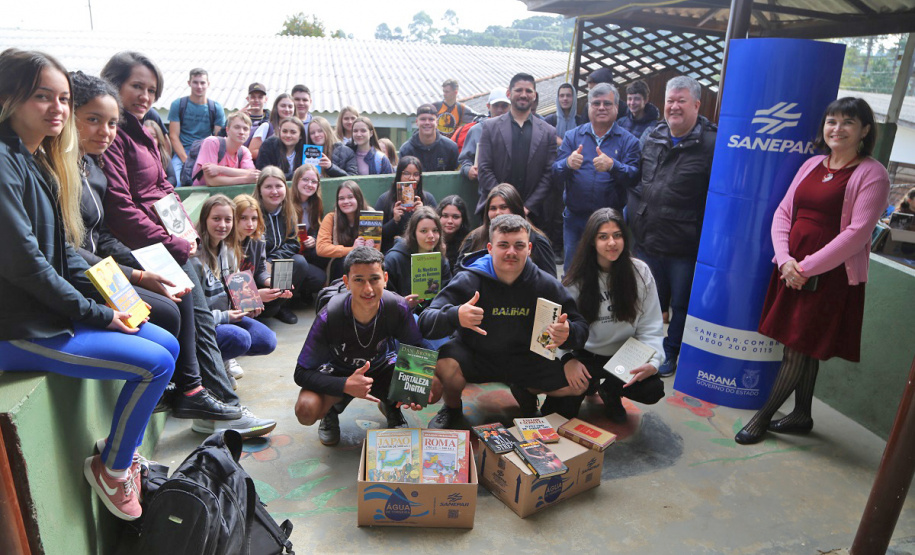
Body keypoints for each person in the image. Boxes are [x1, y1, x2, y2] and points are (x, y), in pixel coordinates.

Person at [0, 47, 178, 521]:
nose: (57, 108)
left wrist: (116, 296)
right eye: (43, 96)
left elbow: (66, 257)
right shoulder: (3, 163)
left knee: (162, 335)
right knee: (155, 364)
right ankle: (112, 470)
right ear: (9, 97)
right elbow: (29, 268)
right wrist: (101, 314)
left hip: (50, 314)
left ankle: (117, 446)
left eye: (62, 98)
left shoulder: (37, 159)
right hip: (18, 329)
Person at [100, 50, 276, 438]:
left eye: (151, 89)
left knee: (200, 310)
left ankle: (210, 403)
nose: (145, 96)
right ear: (113, 84)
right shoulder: (112, 136)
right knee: (193, 305)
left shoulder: (144, 131)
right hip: (140, 246)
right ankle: (216, 400)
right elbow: (121, 208)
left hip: (167, 241)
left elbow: (163, 190)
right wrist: (172, 243)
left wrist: (187, 234)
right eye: (136, 87)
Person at [71, 70, 239, 422]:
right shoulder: (62, 169)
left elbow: (160, 191)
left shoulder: (95, 165)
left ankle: (192, 389)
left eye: (111, 123)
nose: (105, 130)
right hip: (87, 272)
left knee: (182, 300)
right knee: (168, 310)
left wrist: (182, 234)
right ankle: (188, 389)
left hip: (107, 258)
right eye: (93, 120)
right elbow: (107, 221)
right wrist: (140, 270)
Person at [735, 97, 890, 445]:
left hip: (828, 276)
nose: (837, 128)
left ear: (865, 130)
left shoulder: (872, 174)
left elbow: (857, 233)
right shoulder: (811, 164)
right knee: (802, 343)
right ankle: (802, 414)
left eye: (848, 122)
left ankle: (762, 418)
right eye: (831, 121)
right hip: (791, 268)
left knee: (798, 347)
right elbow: (782, 212)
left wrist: (804, 266)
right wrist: (784, 259)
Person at [419, 214, 589, 429]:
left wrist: (568, 333)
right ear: (490, 248)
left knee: (579, 384)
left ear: (529, 248)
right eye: (503, 245)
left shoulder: (544, 284)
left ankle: (525, 389)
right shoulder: (469, 279)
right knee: (445, 363)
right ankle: (452, 408)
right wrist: (456, 315)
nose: (511, 252)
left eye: (519, 245)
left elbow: (580, 326)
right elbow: (425, 322)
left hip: (525, 359)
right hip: (478, 356)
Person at [294, 247, 434, 445]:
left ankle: (392, 405)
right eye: (359, 280)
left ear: (385, 278)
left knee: (433, 385)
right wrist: (344, 385)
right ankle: (330, 413)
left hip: (382, 368)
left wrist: (414, 389)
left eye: (374, 279)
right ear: (347, 282)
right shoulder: (329, 316)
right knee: (306, 409)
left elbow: (416, 348)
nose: (368, 289)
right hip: (338, 373)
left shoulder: (397, 306)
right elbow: (300, 373)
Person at [627, 75, 717, 377]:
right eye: (670, 101)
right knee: (645, 301)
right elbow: (635, 176)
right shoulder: (653, 135)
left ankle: (671, 352)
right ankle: (639, 350)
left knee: (681, 304)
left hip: (684, 245)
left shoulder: (711, 143)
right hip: (648, 238)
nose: (674, 107)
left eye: (681, 101)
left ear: (696, 104)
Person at [561, 208, 665, 422]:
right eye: (603, 237)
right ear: (592, 241)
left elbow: (651, 327)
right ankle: (589, 386)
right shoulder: (575, 280)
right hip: (585, 357)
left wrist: (653, 362)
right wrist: (567, 360)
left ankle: (611, 390)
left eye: (617, 235)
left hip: (624, 356)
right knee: (560, 411)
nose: (612, 243)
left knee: (652, 388)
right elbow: (556, 331)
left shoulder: (640, 272)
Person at [553, 82, 641, 270]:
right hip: (575, 220)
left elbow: (634, 177)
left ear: (617, 108)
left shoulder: (629, 141)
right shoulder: (573, 136)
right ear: (589, 107)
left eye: (607, 104)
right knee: (572, 272)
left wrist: (613, 166)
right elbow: (555, 172)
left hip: (610, 223)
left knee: (606, 272)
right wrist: (567, 164)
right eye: (596, 103)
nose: (601, 108)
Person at [193, 195, 278, 375]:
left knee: (267, 340)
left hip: (227, 315)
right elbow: (194, 315)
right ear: (205, 219)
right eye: (216, 219)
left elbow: (236, 290)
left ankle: (221, 358)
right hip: (205, 323)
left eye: (227, 219)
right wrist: (225, 317)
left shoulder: (229, 250)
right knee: (239, 338)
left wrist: (250, 302)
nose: (222, 225)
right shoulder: (194, 258)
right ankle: (210, 370)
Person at [476, 73, 558, 227]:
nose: (523, 95)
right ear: (509, 93)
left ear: (534, 95)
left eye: (528, 91)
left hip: (533, 214)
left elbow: (548, 175)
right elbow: (484, 168)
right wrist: (504, 205)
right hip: (495, 213)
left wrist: (525, 208)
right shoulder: (490, 127)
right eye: (519, 90)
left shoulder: (548, 132)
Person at [253, 166, 326, 324]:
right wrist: (263, 263)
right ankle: (262, 307)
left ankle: (281, 305)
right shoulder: (253, 213)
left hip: (274, 264)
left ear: (285, 189)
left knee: (299, 262)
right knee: (264, 315)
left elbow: (293, 243)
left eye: (278, 186)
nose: (274, 191)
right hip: (256, 270)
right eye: (268, 186)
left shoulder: (289, 210)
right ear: (259, 190)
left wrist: (272, 260)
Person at [233, 193, 293, 359]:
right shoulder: (225, 245)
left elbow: (260, 270)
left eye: (254, 218)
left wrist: (272, 283)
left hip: (243, 298)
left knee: (268, 340)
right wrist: (253, 297)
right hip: (226, 304)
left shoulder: (257, 241)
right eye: (243, 218)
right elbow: (226, 286)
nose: (250, 223)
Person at [459, 183, 557, 278]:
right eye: (493, 208)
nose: (497, 212)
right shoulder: (474, 238)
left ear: (516, 209)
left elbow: (551, 283)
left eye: (503, 207)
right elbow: (458, 273)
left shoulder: (537, 241)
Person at [383, 206, 453, 314]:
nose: (431, 236)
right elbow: (384, 299)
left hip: (433, 317)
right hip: (402, 317)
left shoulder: (441, 260)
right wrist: (403, 303)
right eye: (424, 231)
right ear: (413, 234)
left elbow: (448, 295)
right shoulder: (393, 260)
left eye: (435, 230)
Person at [167, 68, 225, 177]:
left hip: (205, 152)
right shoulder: (178, 105)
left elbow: (218, 138)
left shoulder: (216, 108)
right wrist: (186, 161)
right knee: (176, 183)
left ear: (208, 84)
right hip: (183, 153)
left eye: (202, 83)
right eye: (195, 82)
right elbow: (173, 136)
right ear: (189, 83)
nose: (199, 86)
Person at [374, 156, 438, 252]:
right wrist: (394, 221)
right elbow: (376, 235)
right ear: (399, 175)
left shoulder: (428, 199)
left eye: (416, 174)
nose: (411, 178)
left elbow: (437, 230)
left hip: (421, 251)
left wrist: (423, 213)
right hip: (392, 252)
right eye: (406, 174)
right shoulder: (384, 199)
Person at [317, 180, 375, 281]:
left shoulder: (370, 215)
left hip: (366, 262)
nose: (346, 201)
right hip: (339, 268)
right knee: (343, 261)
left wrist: (370, 249)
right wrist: (352, 249)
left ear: (358, 198)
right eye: (341, 198)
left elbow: (376, 249)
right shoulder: (331, 218)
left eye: (350, 197)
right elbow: (321, 248)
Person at [191, 111, 260, 187]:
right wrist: (245, 179)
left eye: (245, 129)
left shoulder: (244, 151)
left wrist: (219, 169)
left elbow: (252, 173)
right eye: (237, 127)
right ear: (227, 130)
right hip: (202, 194)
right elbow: (211, 181)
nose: (241, 132)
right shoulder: (212, 142)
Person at [459, 88, 510, 183]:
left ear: (511, 107)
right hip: (485, 189)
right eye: (495, 105)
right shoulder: (476, 130)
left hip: (512, 190)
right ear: (488, 106)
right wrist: (469, 170)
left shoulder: (518, 130)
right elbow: (464, 161)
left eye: (504, 106)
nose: (500, 110)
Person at [399, 103, 459, 172]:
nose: (427, 122)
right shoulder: (406, 150)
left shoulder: (450, 147)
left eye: (431, 119)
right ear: (416, 122)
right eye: (423, 119)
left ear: (437, 122)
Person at [290, 164, 329, 270]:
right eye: (305, 179)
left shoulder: (316, 205)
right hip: (290, 253)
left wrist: (314, 239)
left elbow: (317, 229)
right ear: (297, 180)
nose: (309, 184)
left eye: (314, 181)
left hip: (307, 253)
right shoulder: (286, 204)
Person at [249, 93, 295, 160]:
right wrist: (274, 154)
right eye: (283, 106)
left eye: (290, 106)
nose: (287, 109)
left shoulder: (298, 129)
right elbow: (252, 152)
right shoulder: (266, 127)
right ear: (276, 107)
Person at [437, 195, 471, 270]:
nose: (450, 221)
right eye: (445, 216)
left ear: (463, 220)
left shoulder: (468, 243)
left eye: (455, 217)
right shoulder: (431, 239)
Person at [143, 119, 177, 186]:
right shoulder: (136, 156)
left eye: (154, 136)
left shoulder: (164, 156)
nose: (150, 139)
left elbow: (172, 178)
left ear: (159, 139)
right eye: (147, 136)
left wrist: (161, 187)